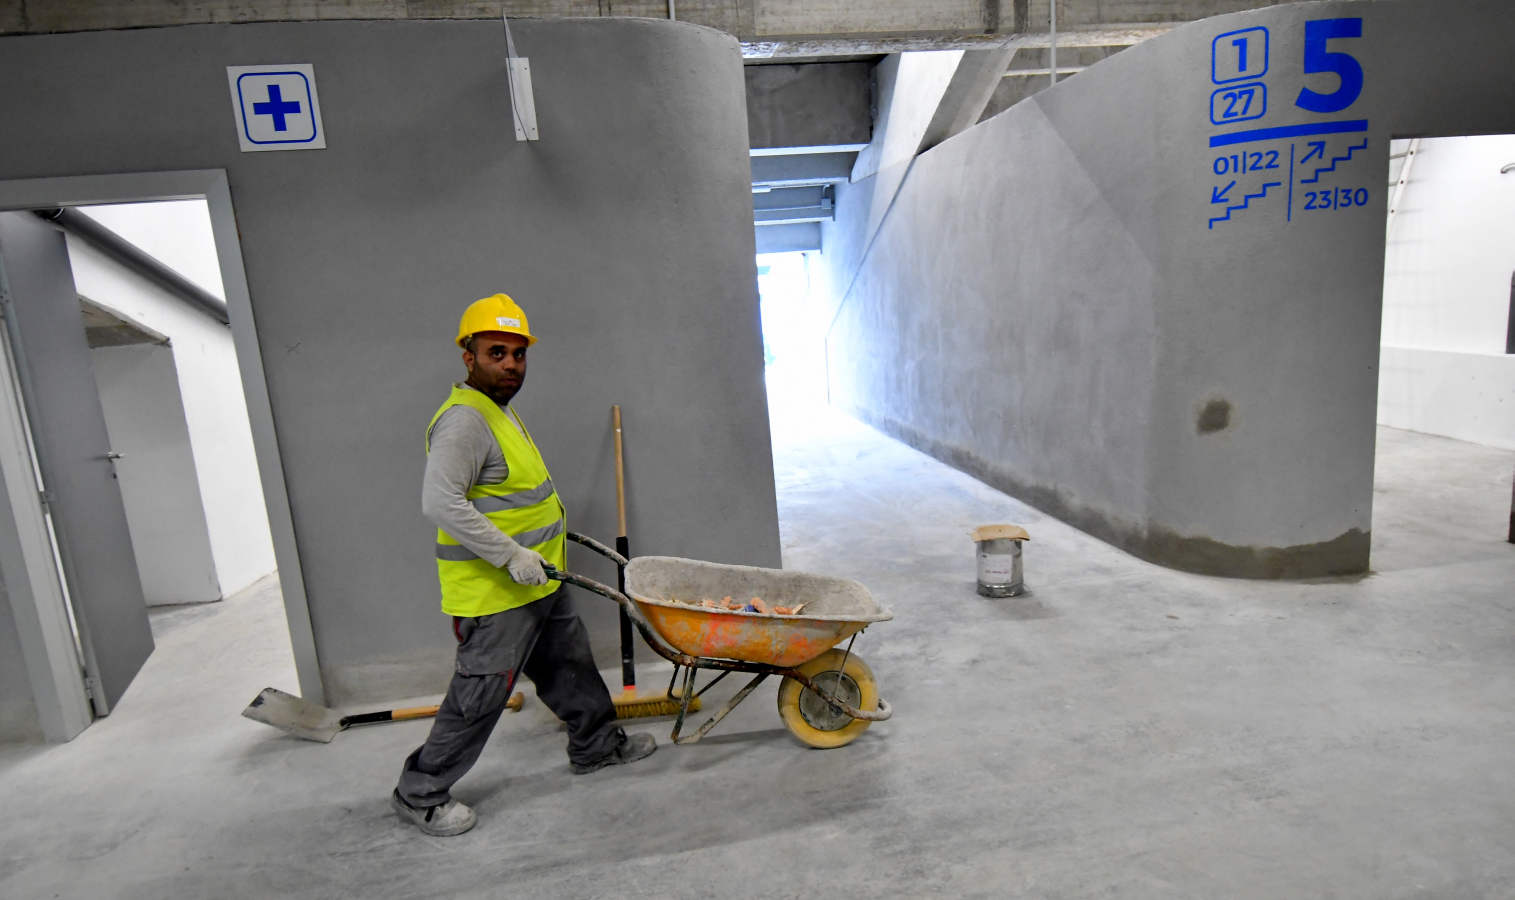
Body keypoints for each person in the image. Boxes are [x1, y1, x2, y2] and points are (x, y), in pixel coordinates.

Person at [392, 293, 655, 836]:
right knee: (480, 695)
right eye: (497, 353)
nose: (511, 364)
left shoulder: (498, 411)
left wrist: (542, 545)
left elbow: (515, 497)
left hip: (538, 579)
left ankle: (597, 745)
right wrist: (511, 555)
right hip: (495, 593)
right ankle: (419, 793)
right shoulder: (465, 420)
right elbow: (440, 502)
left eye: (518, 354)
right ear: (469, 356)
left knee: (569, 666)